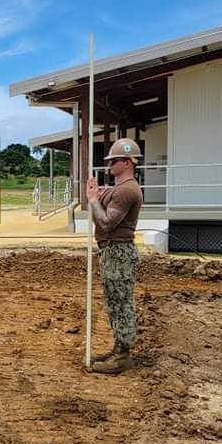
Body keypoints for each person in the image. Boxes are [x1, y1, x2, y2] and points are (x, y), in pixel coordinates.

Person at [85, 137, 144, 374]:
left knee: (120, 303)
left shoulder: (127, 191)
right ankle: (119, 348)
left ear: (128, 162)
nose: (109, 165)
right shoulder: (119, 189)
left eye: (114, 161)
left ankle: (122, 355)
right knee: (114, 302)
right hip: (112, 251)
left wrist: (92, 201)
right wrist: (97, 200)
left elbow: (108, 223)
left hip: (118, 252)